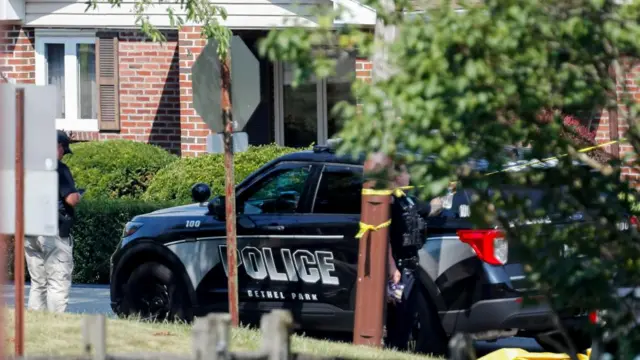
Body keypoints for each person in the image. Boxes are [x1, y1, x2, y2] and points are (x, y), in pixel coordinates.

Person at [384, 160, 444, 352]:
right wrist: (392, 268)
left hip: (411, 268)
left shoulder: (407, 200)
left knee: (407, 314)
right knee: (397, 314)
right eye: (406, 172)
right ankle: (393, 350)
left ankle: (398, 349)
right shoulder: (388, 202)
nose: (409, 176)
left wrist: (442, 194)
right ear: (397, 177)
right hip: (398, 270)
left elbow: (432, 208)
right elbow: (383, 239)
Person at [24, 130, 81, 313]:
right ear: (57, 147)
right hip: (52, 232)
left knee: (38, 283)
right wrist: (77, 195)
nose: (64, 153)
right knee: (57, 282)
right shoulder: (59, 168)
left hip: (30, 231)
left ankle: (36, 323)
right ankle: (55, 324)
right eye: (64, 149)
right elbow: (70, 199)